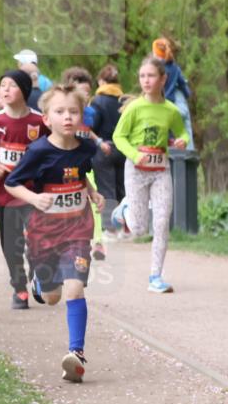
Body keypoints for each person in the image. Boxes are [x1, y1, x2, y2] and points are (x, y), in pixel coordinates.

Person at [4, 84, 104, 382]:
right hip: (44, 234)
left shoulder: (86, 148)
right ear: (47, 119)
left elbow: (81, 174)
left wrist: (93, 192)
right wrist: (34, 199)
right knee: (51, 297)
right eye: (60, 112)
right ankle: (38, 282)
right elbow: (12, 182)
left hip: (77, 231)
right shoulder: (38, 152)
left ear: (82, 116)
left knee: (75, 287)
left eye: (74, 111)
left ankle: (77, 354)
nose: (67, 117)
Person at [110, 55, 189, 293]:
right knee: (138, 230)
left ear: (163, 79)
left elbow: (182, 133)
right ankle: (124, 210)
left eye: (151, 75)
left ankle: (155, 276)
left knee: (163, 222)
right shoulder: (134, 108)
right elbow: (118, 137)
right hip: (136, 171)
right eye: (142, 76)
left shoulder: (171, 111)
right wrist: (135, 155)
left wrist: (182, 141)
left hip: (160, 171)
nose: (146, 80)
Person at [0, 69, 48, 309]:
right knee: (10, 245)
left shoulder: (40, 121)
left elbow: (50, 150)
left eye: (11, 85)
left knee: (37, 239)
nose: (5, 89)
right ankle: (19, 289)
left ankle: (38, 277)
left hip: (32, 192)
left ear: (24, 90)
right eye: (2, 85)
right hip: (5, 192)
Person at [62, 67, 107, 261]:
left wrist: (99, 142)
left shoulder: (89, 113)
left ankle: (97, 242)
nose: (86, 97)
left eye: (88, 93)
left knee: (94, 200)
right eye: (82, 93)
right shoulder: (60, 115)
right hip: (63, 168)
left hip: (86, 166)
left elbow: (86, 131)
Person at [90, 64, 128, 242]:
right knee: (123, 189)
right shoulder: (124, 100)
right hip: (123, 149)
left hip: (103, 148)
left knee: (106, 189)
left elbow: (92, 126)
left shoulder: (97, 101)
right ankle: (125, 228)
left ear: (101, 81)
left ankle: (110, 229)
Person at [152, 38, 195, 150]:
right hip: (173, 103)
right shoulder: (175, 67)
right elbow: (182, 84)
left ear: (156, 53)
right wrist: (186, 94)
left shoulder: (156, 69)